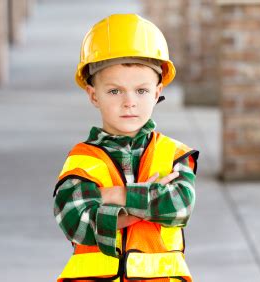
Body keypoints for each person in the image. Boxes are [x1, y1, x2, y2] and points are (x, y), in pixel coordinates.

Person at [53, 14, 199, 282]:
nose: (129, 102)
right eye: (115, 91)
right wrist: (148, 202)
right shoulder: (83, 159)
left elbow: (178, 206)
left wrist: (113, 195)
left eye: (141, 91)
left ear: (157, 93)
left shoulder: (174, 154)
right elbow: (75, 222)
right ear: (93, 94)